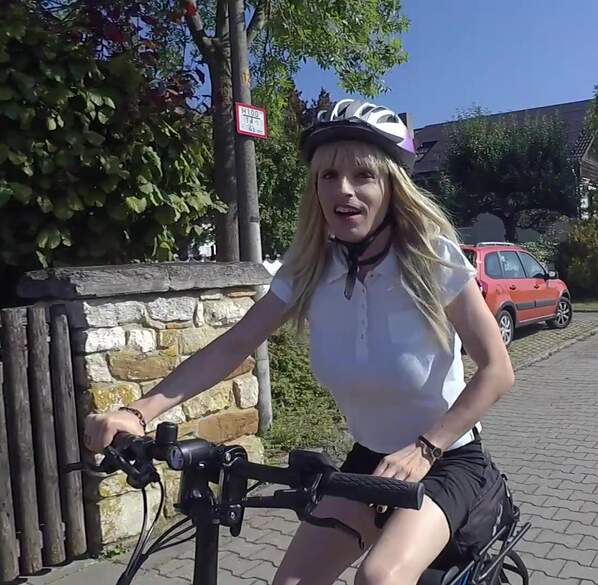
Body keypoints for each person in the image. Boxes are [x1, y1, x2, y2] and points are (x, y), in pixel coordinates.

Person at [84, 98, 516, 585]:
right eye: (329, 175)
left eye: (363, 175)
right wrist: (138, 412)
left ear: (392, 186)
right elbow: (231, 346)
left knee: (379, 578)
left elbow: (497, 370)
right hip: (369, 459)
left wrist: (426, 449)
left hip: (447, 459)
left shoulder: (431, 259)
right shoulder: (310, 270)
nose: (343, 189)